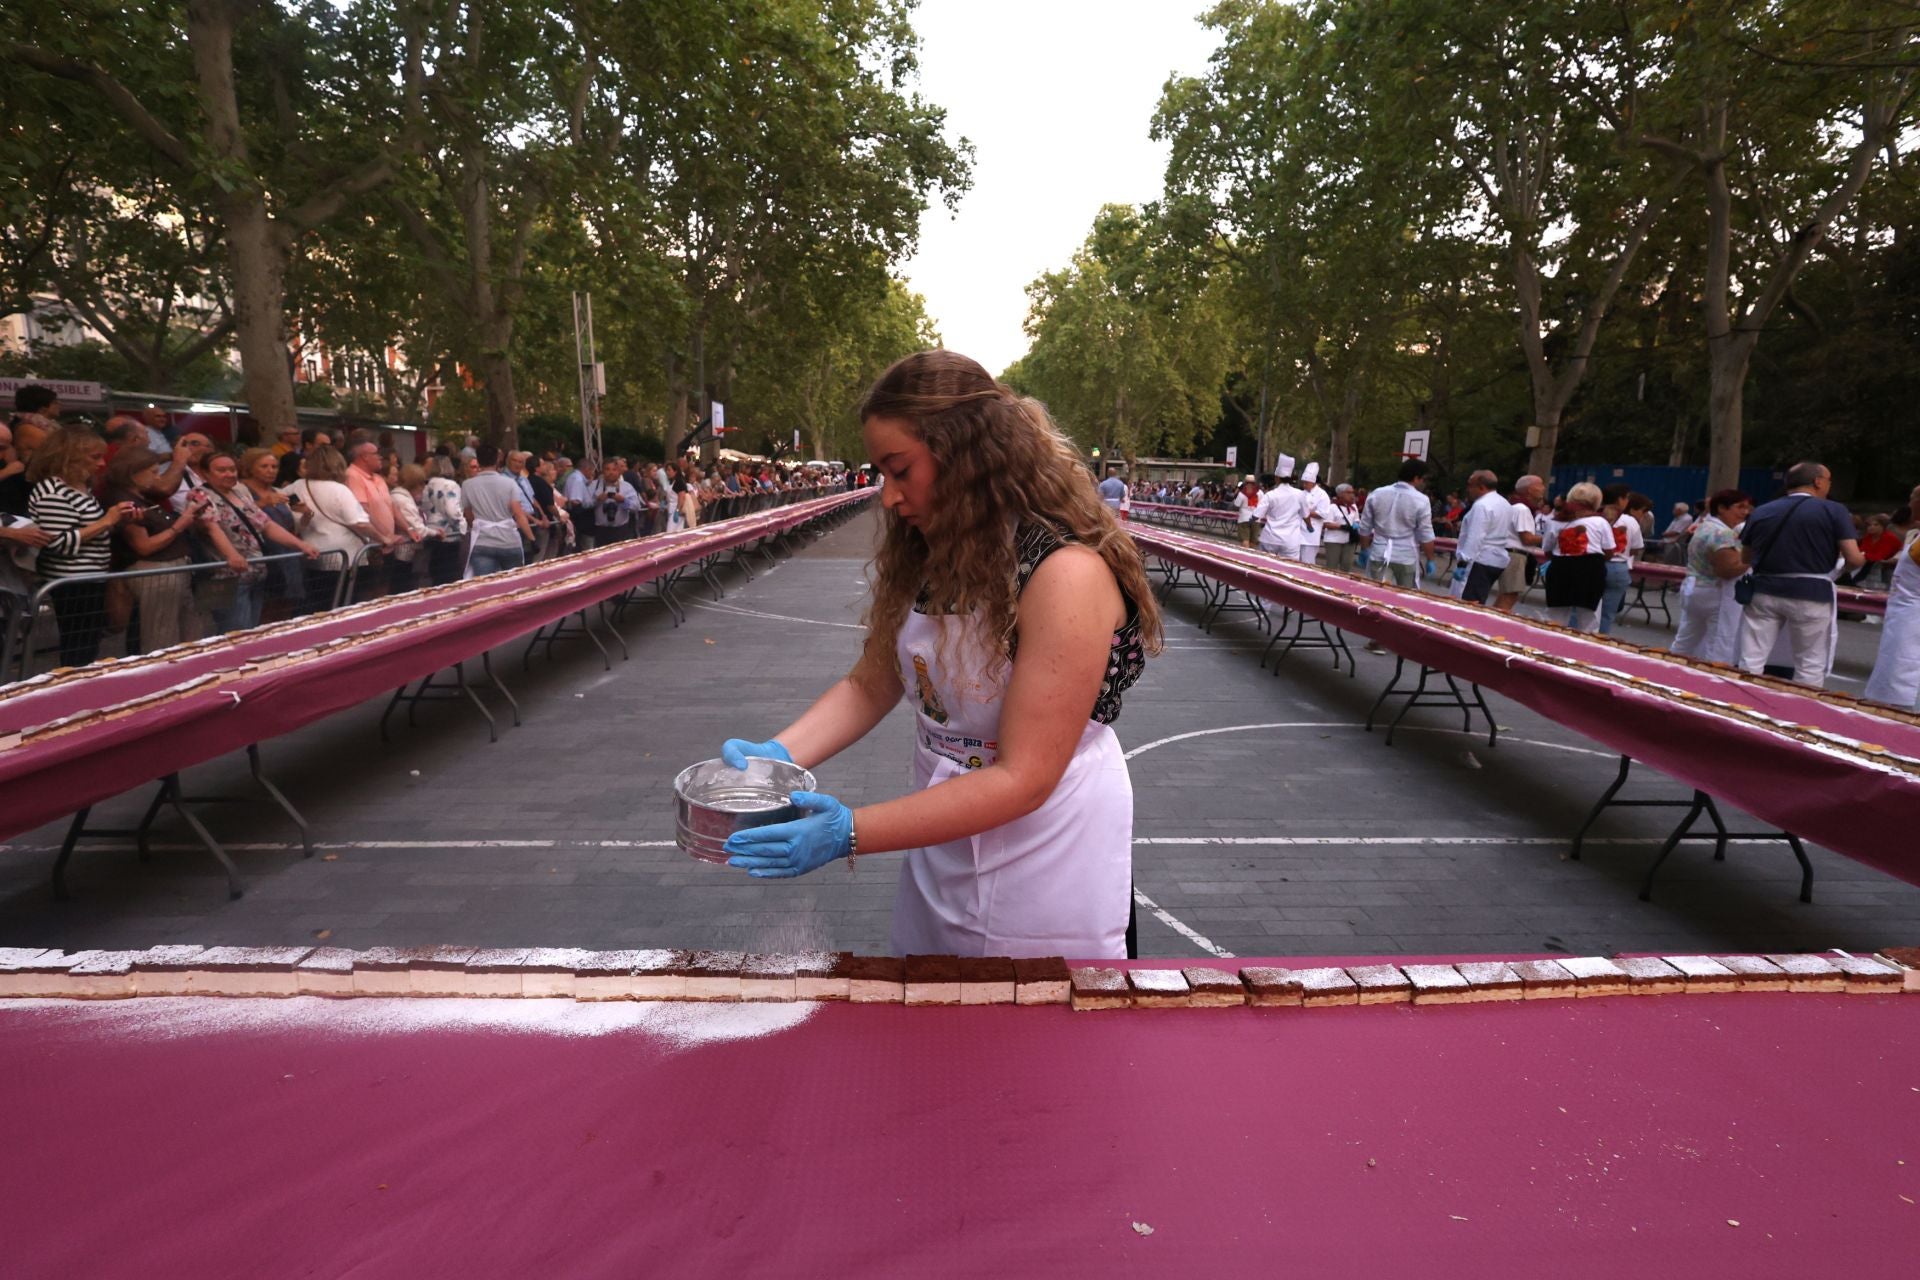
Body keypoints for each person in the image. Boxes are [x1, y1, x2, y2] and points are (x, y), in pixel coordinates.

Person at [718, 351, 1161, 959]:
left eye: (900, 470)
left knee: (1039, 1027)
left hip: (1049, 849)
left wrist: (850, 832)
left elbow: (1024, 778)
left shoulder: (1065, 574)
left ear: (967, 455)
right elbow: (874, 683)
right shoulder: (934, 551)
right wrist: (778, 756)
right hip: (943, 830)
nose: (888, 496)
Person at [1736, 461, 1864, 686]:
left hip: (1763, 591)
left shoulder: (1763, 511)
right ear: (1817, 482)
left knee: (1752, 657)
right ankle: (1802, 712)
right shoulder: (1834, 510)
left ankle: (1741, 704)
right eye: (1828, 480)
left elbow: (1746, 558)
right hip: (1811, 593)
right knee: (1809, 662)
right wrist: (1851, 565)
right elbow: (1852, 558)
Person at [25, 428, 136, 666]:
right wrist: (107, 520)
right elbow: (57, 542)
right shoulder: (52, 491)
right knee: (79, 645)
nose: (102, 463)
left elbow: (90, 529)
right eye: (94, 457)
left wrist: (118, 520)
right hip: (71, 581)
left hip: (90, 576)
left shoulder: (81, 488)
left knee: (88, 642)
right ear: (69, 456)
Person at [103, 446, 220, 652]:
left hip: (174, 571)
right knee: (161, 636)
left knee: (189, 632)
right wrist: (179, 525)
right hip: (156, 574)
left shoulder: (143, 496)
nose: (158, 478)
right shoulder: (124, 501)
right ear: (133, 473)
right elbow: (144, 546)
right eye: (154, 472)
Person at [285, 444, 387, 611]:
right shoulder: (339, 490)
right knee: (346, 604)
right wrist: (383, 538)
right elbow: (359, 522)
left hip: (313, 553)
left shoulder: (296, 487)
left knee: (319, 604)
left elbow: (285, 508)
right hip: (345, 557)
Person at [1669, 489, 1753, 664]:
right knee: (1719, 642)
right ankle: (1714, 678)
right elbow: (1728, 570)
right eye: (1740, 507)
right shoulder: (1723, 533)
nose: (1745, 512)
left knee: (1686, 638)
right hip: (1715, 592)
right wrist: (1752, 559)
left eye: (1747, 507)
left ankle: (1669, 668)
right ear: (1722, 508)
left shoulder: (1704, 526)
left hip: (1693, 587)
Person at [1864, 483, 1920, 707]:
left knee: (1902, 670)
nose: (1908, 504)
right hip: (1903, 611)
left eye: (1911, 498)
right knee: (1895, 666)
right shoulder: (1915, 534)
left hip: (1912, 614)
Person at [1544, 482, 1614, 631]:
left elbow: (1547, 550)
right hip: (1591, 569)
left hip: (1560, 568)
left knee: (1556, 616)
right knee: (1589, 617)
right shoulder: (1600, 522)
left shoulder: (1554, 522)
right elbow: (1609, 552)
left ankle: (1549, 646)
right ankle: (1586, 649)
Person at [460, 442, 534, 576]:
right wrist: (531, 537)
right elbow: (519, 514)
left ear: (479, 460)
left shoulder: (467, 485)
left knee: (486, 588)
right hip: (508, 541)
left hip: (482, 541)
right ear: (498, 460)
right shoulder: (509, 483)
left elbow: (468, 514)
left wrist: (478, 525)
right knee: (513, 585)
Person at [1452, 469, 1511, 605]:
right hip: (1496, 559)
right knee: (1479, 599)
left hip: (1478, 560)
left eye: (1470, 485)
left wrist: (1463, 563)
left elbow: (1475, 537)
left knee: (1467, 604)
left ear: (1481, 487)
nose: (1467, 489)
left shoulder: (1482, 506)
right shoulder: (1504, 504)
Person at [1596, 484, 1646, 635]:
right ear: (1620, 499)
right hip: (1618, 567)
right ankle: (1599, 643)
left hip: (1594, 563)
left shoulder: (1594, 516)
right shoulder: (1630, 521)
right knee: (1607, 614)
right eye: (1627, 498)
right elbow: (1636, 548)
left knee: (1583, 609)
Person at [1492, 474, 1546, 612]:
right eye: (1540, 485)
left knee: (1505, 594)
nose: (1543, 488)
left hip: (1510, 554)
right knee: (1509, 596)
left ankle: (1494, 619)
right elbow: (1527, 538)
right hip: (1515, 555)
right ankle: (1497, 623)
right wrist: (1552, 538)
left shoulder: (1516, 506)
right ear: (1529, 490)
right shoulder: (1522, 509)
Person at [418, 456, 469, 585]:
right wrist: (463, 526)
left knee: (435, 574)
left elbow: (423, 507)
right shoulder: (450, 485)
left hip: (431, 532)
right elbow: (452, 510)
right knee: (449, 576)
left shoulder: (427, 484)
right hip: (449, 534)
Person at [1252, 470, 1306, 560]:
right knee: (1289, 568)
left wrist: (1251, 520)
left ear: (1277, 478)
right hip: (1290, 540)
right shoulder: (1300, 494)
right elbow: (1306, 515)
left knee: (1265, 567)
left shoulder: (1270, 495)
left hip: (1270, 538)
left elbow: (1257, 515)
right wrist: (1309, 525)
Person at [1296, 463, 1334, 565]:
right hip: (1297, 532)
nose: (1304, 485)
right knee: (1295, 561)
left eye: (1306, 483)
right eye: (1303, 483)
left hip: (1311, 534)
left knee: (1307, 562)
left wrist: (1306, 512)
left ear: (1313, 482)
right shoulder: (1301, 493)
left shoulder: (1322, 495)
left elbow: (1323, 513)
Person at [1321, 483, 1362, 572]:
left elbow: (1356, 520)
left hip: (1349, 540)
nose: (1352, 495)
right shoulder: (1332, 507)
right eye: (1348, 492)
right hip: (1334, 540)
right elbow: (1326, 524)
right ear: (1340, 494)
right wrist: (1341, 526)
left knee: (1346, 565)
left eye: (1353, 492)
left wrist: (1355, 525)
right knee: (1332, 566)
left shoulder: (1353, 507)